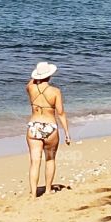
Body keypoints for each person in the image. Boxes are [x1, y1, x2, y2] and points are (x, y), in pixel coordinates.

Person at [26, 61, 71, 198]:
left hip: (34, 126)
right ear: (50, 75)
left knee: (35, 162)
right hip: (50, 127)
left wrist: (37, 76)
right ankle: (47, 190)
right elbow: (61, 113)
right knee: (50, 159)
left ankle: (33, 194)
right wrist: (67, 134)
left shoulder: (31, 88)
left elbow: (31, 82)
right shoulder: (55, 92)